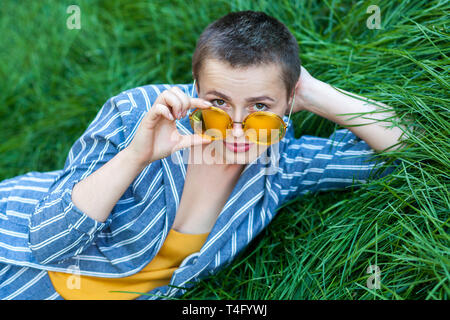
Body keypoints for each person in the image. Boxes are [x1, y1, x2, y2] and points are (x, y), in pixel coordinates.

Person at [0, 11, 406, 300]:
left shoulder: (278, 169)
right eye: (218, 102)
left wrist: (315, 93)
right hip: (18, 262)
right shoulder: (137, 113)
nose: (235, 127)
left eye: (260, 109)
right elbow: (49, 243)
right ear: (194, 85)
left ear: (288, 104)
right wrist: (136, 156)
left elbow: (403, 147)